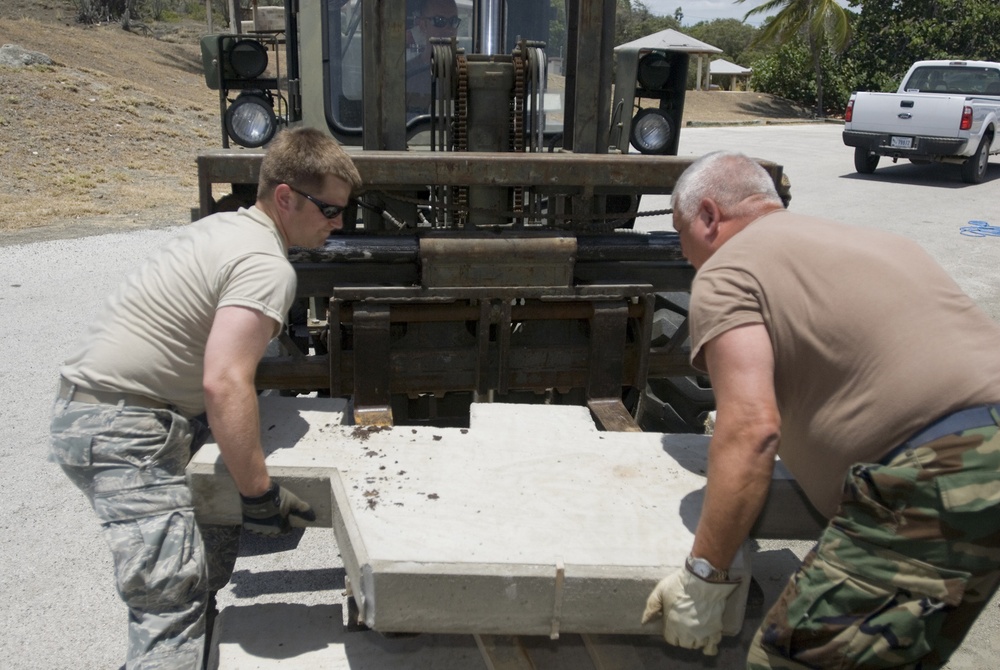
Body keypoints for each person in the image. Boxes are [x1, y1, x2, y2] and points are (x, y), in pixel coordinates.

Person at [640, 150, 1000, 668]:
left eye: (681, 233)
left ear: (710, 216)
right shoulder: (879, 243)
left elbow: (752, 429)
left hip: (936, 477)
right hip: (978, 465)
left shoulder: (727, 271)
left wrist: (705, 577)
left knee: (789, 658)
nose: (683, 251)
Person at [50, 126, 363, 669]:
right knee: (171, 601)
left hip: (127, 412)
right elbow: (225, 381)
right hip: (122, 428)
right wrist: (259, 493)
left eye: (344, 213)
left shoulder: (227, 230)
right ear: (285, 197)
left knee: (203, 567)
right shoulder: (267, 266)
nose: (338, 224)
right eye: (330, 210)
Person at [406, 0, 461, 113]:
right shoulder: (406, 75)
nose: (448, 29)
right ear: (423, 25)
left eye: (453, 21)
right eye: (439, 21)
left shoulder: (467, 74)